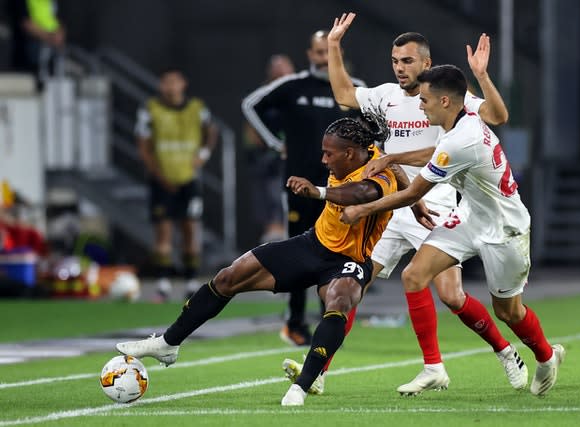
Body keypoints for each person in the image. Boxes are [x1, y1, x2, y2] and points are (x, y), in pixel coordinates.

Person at [283, 12, 524, 397]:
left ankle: (506, 351)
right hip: (389, 208)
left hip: (435, 202)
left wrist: (482, 75)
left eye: (408, 61)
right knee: (352, 282)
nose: (400, 68)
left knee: (451, 295)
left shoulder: (446, 98)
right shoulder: (384, 96)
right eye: (395, 61)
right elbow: (345, 94)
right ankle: (319, 370)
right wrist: (333, 46)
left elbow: (497, 116)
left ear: (426, 64)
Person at [116, 110, 398, 407]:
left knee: (340, 300)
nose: (324, 160)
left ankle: (302, 386)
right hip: (312, 245)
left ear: (351, 154)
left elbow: (362, 193)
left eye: (329, 154)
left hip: (349, 259)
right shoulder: (352, 153)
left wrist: (318, 192)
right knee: (228, 277)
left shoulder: (381, 172)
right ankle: (167, 344)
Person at [341, 64, 565, 397]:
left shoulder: (460, 140)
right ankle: (433, 367)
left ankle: (547, 356)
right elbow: (473, 131)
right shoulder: (464, 116)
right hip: (470, 215)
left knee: (508, 311)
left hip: (505, 229)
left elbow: (414, 193)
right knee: (414, 275)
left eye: (426, 100)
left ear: (446, 101)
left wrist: (363, 209)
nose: (421, 105)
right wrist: (391, 159)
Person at [242, 29, 366, 346]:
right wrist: (274, 143)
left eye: (329, 52)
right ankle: (295, 322)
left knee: (338, 252)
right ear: (310, 55)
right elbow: (250, 104)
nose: (324, 58)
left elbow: (375, 129)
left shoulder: (356, 89)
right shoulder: (292, 86)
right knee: (298, 253)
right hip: (299, 186)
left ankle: (331, 320)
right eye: (319, 52)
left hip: (343, 190)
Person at [134, 69, 218, 302]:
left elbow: (211, 131)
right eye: (166, 82)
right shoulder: (150, 109)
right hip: (162, 180)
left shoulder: (196, 109)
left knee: (190, 230)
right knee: (163, 233)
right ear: (161, 85)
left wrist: (203, 154)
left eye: (175, 82)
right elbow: (143, 144)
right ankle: (163, 285)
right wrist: (157, 173)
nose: (171, 87)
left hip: (188, 179)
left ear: (183, 84)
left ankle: (191, 283)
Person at [242, 54, 295, 245]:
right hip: (271, 159)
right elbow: (250, 126)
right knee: (272, 199)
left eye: (284, 67)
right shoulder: (262, 96)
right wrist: (270, 146)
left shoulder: (299, 91)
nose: (280, 72)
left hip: (297, 157)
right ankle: (273, 239)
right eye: (276, 68)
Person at [7, 0, 66, 86]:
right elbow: (25, 23)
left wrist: (59, 36)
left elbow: (60, 18)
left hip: (52, 45)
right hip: (34, 43)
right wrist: (49, 38)